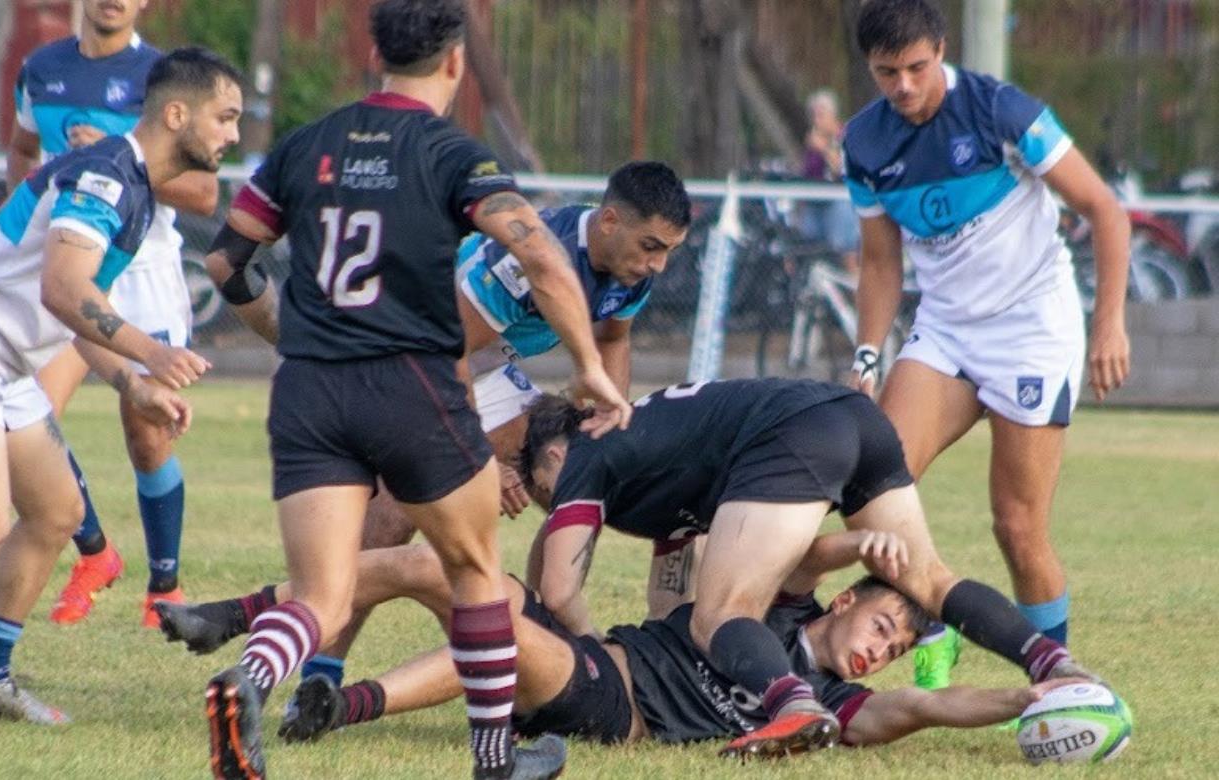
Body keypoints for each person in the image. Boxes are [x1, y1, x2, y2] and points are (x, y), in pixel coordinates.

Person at [163, 382, 1109, 761]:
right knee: (448, 578)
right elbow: (700, 587)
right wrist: (856, 545)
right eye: (885, 627)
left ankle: (1055, 666)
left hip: (617, 697)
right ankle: (264, 626)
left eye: (898, 646)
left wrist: (1042, 705)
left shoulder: (846, 694)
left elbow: (931, 706)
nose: (884, 649)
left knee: (488, 597)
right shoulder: (779, 585)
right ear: (850, 598)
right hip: (612, 658)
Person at [195, 2, 631, 778]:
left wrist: (290, 334)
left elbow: (226, 263)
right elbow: (539, 253)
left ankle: (250, 679)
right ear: (455, 62)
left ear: (375, 52)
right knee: (474, 574)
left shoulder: (303, 147)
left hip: (308, 394)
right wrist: (590, 366)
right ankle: (495, 761)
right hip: (409, 385)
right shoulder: (451, 152)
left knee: (324, 594)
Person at [207, 161, 690, 691]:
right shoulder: (529, 261)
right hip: (400, 346)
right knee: (396, 515)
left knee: (574, 477)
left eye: (667, 250)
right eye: (651, 246)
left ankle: (544, 636)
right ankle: (317, 676)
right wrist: (481, 462)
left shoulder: (626, 269)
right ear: (610, 221)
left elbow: (614, 341)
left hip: (470, 358)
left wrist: (609, 416)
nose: (658, 264)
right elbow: (445, 359)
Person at [0, 47, 242, 734]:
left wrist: (131, 383)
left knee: (57, 512)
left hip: (6, 361)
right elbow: (63, 289)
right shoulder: (106, 177)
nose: (231, 134)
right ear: (176, 113)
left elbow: (73, 318)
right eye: (224, 117)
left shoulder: (133, 190)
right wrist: (152, 351)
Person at [842, 0, 1131, 689]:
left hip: (1032, 328)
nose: (904, 86)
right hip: (946, 329)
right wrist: (867, 355)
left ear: (941, 50)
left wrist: (1109, 323)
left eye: (916, 67)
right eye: (888, 73)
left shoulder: (1003, 111)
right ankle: (936, 618)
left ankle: (1056, 683)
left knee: (1017, 526)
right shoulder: (864, 143)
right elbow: (882, 264)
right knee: (869, 487)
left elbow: (1105, 210)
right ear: (871, 69)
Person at [8, 0, 223, 627]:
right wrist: (16, 226)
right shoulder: (41, 68)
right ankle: (96, 552)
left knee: (147, 435)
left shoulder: (167, 78)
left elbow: (204, 193)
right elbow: (23, 151)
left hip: (142, 274)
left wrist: (117, 151)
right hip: (67, 269)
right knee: (26, 423)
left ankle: (164, 586)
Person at [797, 89, 860, 272]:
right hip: (814, 202)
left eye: (821, 115)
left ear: (832, 115)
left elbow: (840, 169)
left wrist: (823, 148)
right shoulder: (811, 142)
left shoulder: (844, 137)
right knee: (807, 254)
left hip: (839, 201)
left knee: (845, 254)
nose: (817, 120)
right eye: (814, 115)